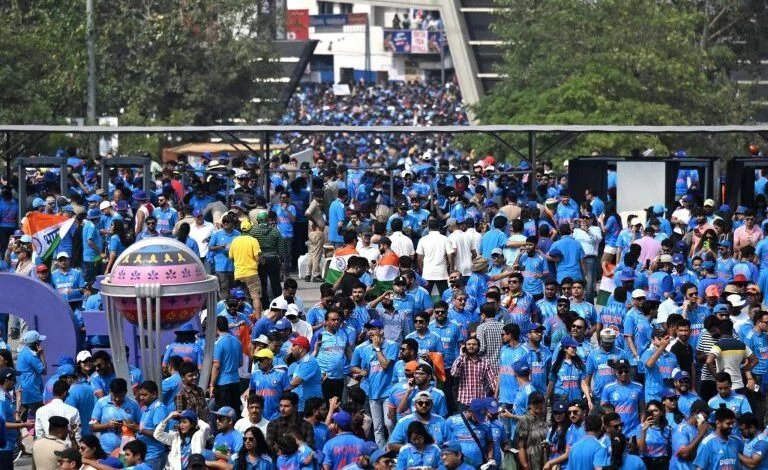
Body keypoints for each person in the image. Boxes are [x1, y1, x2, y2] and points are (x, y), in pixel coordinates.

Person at [90, 377, 141, 455]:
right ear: (110, 391)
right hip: (106, 451)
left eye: (121, 396)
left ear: (126, 392)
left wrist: (131, 426)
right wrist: (107, 425)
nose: (117, 399)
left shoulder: (133, 404)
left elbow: (140, 426)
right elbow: (92, 426)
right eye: (115, 396)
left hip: (127, 452)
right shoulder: (101, 403)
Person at [450, 336, 498, 408]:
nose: (471, 346)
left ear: (479, 347)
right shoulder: (460, 360)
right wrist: (462, 356)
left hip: (480, 401)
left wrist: (497, 394)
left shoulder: (485, 362)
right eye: (468, 344)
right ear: (465, 347)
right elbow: (454, 373)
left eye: (474, 344)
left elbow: (492, 380)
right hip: (464, 401)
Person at [210, 315, 243, 415]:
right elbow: (240, 363)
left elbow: (216, 366)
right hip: (236, 381)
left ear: (216, 327)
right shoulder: (237, 341)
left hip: (223, 384)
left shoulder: (218, 343)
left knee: (224, 414)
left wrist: (212, 385)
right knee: (235, 412)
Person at [229, 219, 263, 316]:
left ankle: (239, 316)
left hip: (238, 273)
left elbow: (231, 257)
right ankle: (258, 318)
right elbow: (257, 257)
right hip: (251, 273)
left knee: (239, 297)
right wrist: (262, 261)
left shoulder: (235, 240)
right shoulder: (253, 240)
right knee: (255, 297)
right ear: (250, 229)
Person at [416, 218, 455, 296]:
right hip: (441, 273)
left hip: (427, 273)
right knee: (445, 296)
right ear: (439, 227)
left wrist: (421, 270)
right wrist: (451, 269)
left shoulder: (423, 240)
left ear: (428, 227)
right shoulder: (445, 239)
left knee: (425, 296)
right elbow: (450, 255)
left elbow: (419, 258)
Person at [135, 380, 168, 470]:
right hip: (145, 455)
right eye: (140, 395)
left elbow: (159, 434)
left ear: (154, 394)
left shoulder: (158, 408)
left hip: (154, 456)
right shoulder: (147, 408)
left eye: (144, 395)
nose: (141, 397)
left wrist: (139, 429)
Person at [285, 336, 322, 414]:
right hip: (301, 405)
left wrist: (278, 388)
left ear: (301, 348)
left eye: (294, 345)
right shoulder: (300, 363)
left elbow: (295, 382)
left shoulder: (309, 362)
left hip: (309, 406)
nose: (292, 348)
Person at [670, 399, 710, 470]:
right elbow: (684, 454)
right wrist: (701, 434)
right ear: (697, 412)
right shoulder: (682, 429)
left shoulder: (699, 428)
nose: (708, 416)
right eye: (706, 413)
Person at [18, 329, 47, 418]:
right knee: (42, 417)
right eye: (39, 342)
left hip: (24, 390)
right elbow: (44, 371)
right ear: (35, 344)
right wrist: (41, 354)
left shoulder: (23, 352)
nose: (40, 344)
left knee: (23, 418)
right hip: (32, 393)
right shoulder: (31, 355)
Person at [516, 390, 548, 470]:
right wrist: (525, 466)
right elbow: (520, 446)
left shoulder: (543, 419)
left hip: (545, 461)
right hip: (532, 463)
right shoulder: (525, 420)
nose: (539, 405)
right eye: (535, 403)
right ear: (530, 405)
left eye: (541, 402)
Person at [638, 399, 673, 469]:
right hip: (646, 462)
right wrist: (644, 431)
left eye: (655, 410)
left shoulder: (667, 429)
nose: (652, 413)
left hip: (662, 463)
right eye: (650, 411)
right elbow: (641, 449)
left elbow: (670, 449)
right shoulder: (640, 427)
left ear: (661, 412)